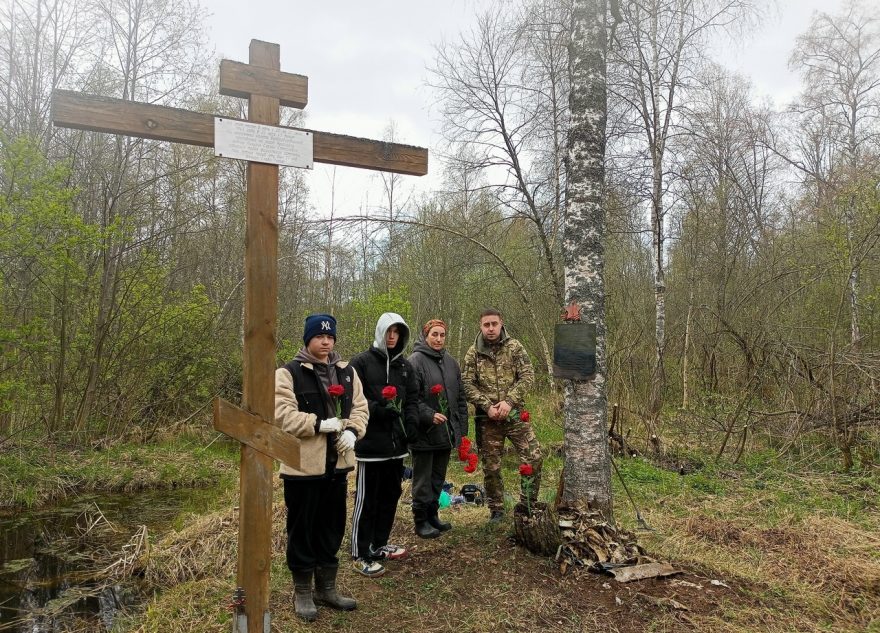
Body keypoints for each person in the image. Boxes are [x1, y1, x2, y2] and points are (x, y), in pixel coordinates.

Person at [275, 313, 368, 622]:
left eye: (330, 337)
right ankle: (302, 591)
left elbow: (360, 408)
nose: (326, 341)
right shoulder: (288, 373)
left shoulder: (347, 372)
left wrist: (354, 431)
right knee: (302, 529)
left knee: (331, 528)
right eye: (319, 337)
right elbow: (282, 415)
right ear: (308, 339)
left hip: (338, 464)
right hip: (302, 467)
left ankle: (326, 588)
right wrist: (319, 424)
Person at [349, 312, 420, 577]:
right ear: (381, 332)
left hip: (397, 446)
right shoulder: (361, 363)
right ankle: (360, 552)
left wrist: (411, 425)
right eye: (389, 331)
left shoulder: (405, 366)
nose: (392, 337)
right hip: (371, 446)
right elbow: (353, 399)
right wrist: (378, 410)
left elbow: (412, 397)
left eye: (397, 333)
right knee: (367, 500)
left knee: (390, 497)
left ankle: (378, 545)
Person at [461, 308, 541, 522]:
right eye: (486, 324)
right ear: (480, 326)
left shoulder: (514, 347)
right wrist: (487, 406)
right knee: (491, 466)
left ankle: (527, 505)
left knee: (533, 456)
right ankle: (496, 509)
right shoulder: (473, 353)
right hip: (488, 419)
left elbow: (527, 376)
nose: (490, 328)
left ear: (501, 323)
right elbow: (467, 384)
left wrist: (509, 401)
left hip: (515, 415)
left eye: (494, 324)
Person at [407, 319, 469, 537]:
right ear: (426, 335)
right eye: (435, 334)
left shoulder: (451, 362)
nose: (439, 339)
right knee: (422, 480)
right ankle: (421, 520)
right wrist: (428, 415)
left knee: (438, 477)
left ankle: (433, 515)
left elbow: (460, 399)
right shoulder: (415, 361)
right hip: (425, 433)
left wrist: (461, 432)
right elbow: (410, 398)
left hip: (446, 433)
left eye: (442, 335)